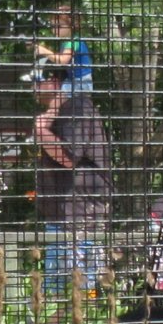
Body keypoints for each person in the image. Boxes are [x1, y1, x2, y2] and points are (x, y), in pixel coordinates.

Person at [33, 50, 111, 301]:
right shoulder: (61, 111)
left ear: (54, 81)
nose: (33, 88)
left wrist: (41, 129)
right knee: (56, 289)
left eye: (37, 81)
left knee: (84, 291)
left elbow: (68, 157)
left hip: (80, 219)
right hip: (61, 218)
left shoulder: (78, 107)